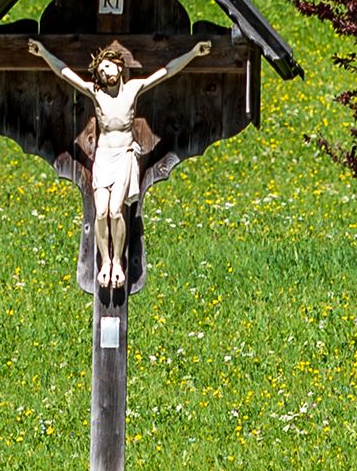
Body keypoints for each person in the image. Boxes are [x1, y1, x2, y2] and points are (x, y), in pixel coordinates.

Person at [30, 32, 220, 292]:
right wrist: (42, 53)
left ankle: (117, 262)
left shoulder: (133, 88)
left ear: (119, 66)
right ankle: (105, 262)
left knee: (117, 211)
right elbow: (64, 73)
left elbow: (166, 72)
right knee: (102, 212)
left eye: (108, 66)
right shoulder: (96, 93)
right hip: (104, 157)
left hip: (124, 157)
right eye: (101, 69)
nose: (106, 72)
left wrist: (194, 53)